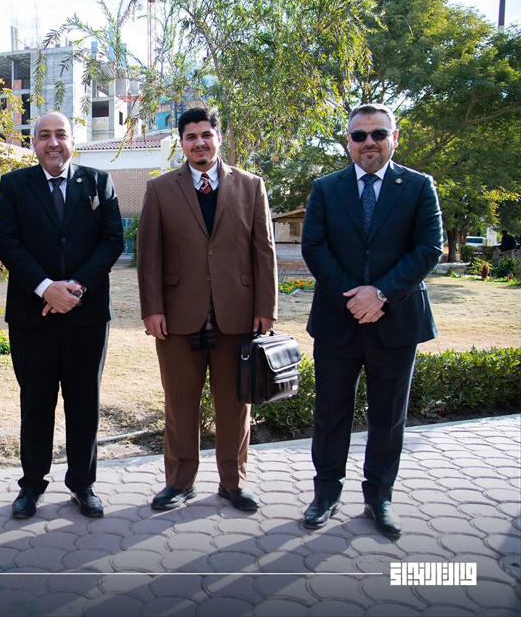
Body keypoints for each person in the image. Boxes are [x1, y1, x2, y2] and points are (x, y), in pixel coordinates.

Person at [301, 103, 443, 537]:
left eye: (378, 134)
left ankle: (379, 497)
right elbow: (314, 247)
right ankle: (326, 493)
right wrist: (354, 296)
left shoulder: (419, 186)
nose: (369, 142)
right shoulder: (326, 188)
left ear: (394, 138)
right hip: (337, 321)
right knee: (330, 412)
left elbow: (429, 248)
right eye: (359, 135)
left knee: (388, 417)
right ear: (348, 142)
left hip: (396, 321)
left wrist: (380, 294)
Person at [137, 106, 277, 513]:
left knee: (235, 405)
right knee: (180, 404)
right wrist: (152, 309)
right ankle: (179, 482)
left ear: (218, 138)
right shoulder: (159, 189)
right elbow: (149, 256)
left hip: (238, 315)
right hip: (178, 318)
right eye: (191, 136)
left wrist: (266, 307)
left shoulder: (251, 186)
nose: (199, 143)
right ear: (181, 143)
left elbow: (264, 251)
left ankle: (233, 483)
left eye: (206, 135)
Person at [0, 111, 123, 519]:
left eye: (61, 135)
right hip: (33, 316)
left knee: (84, 402)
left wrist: (76, 288)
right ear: (33, 143)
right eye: (44, 135)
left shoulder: (98, 182)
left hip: (87, 316)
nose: (53, 143)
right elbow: (7, 242)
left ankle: (83, 484)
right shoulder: (15, 185)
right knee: (36, 402)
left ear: (73, 141)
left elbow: (112, 241)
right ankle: (32, 485)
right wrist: (46, 287)